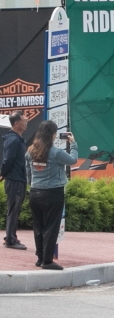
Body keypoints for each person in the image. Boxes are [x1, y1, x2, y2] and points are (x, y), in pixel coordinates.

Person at [24, 121, 78, 270]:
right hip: (53, 193)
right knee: (51, 227)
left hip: (35, 193)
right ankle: (47, 261)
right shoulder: (55, 152)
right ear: (53, 134)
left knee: (38, 227)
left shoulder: (30, 151)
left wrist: (32, 185)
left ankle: (40, 258)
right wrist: (73, 144)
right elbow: (73, 160)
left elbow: (28, 173)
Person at [1, 112, 29, 250]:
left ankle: (10, 236)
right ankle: (11, 240)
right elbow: (7, 160)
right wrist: (2, 174)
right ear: (16, 123)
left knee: (14, 209)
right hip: (15, 180)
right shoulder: (14, 140)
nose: (27, 121)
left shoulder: (17, 139)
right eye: (24, 120)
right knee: (14, 209)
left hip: (18, 179)